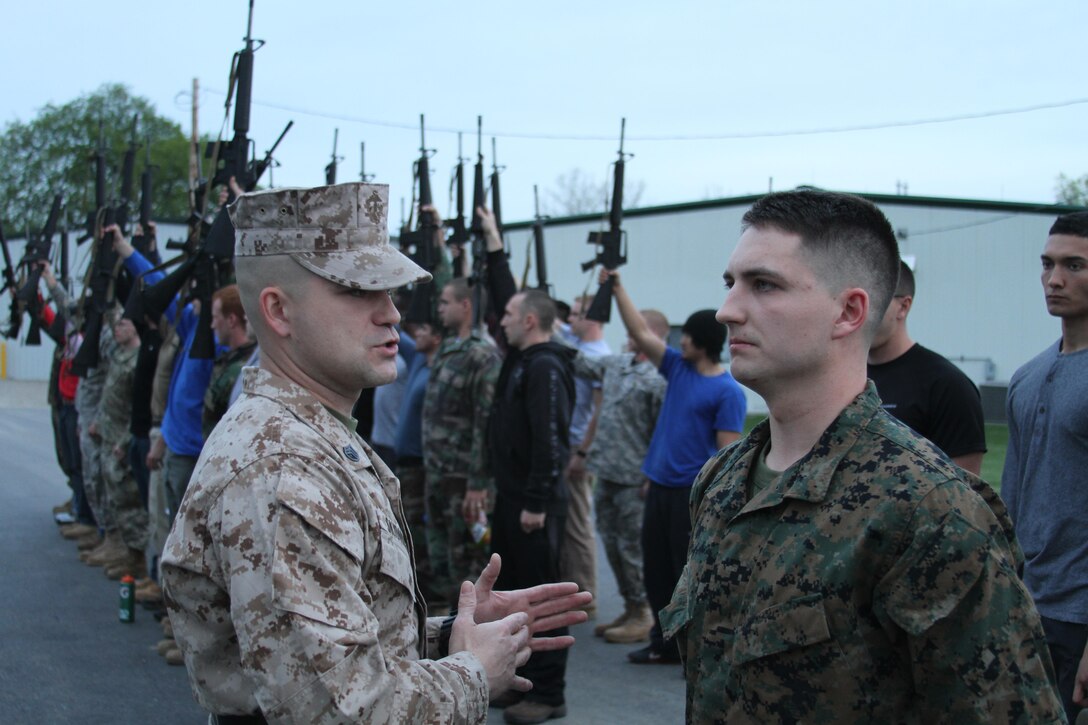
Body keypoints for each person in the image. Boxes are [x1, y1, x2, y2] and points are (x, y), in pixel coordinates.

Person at [161, 182, 589, 724]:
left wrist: (444, 636)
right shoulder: (282, 471)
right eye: (359, 292)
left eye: (389, 293)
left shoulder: (308, 434)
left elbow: (321, 652)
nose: (392, 315)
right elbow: (345, 712)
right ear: (278, 310)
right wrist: (473, 672)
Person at [661, 188, 1061, 722]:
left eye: (764, 285)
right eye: (731, 283)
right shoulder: (722, 480)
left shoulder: (929, 510)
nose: (727, 310)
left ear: (848, 311)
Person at [606, 270, 747, 665]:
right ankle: (662, 643)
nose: (677, 340)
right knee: (655, 570)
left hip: (690, 494)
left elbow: (727, 455)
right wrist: (617, 287)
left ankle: (692, 647)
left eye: (686, 335)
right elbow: (639, 329)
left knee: (686, 572)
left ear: (701, 342)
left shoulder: (727, 391)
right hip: (659, 487)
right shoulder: (677, 369)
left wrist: (713, 503)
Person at [483, 207, 578, 724]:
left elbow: (551, 442)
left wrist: (537, 503)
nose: (499, 320)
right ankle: (520, 685)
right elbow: (504, 300)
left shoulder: (544, 367)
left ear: (531, 321)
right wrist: (495, 246)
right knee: (514, 597)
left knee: (542, 599)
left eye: (508, 316)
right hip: (514, 498)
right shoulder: (522, 358)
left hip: (532, 505)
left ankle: (548, 693)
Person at [1002, 210, 1088, 721]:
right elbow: (1010, 495)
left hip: (1077, 614)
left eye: (1074, 266)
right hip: (1020, 603)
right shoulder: (1027, 375)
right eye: (1048, 264)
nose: (1054, 280)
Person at [573, 309, 668, 644]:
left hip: (634, 476)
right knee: (611, 543)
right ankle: (630, 605)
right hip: (607, 471)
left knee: (631, 547)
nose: (628, 335)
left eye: (635, 330)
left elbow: (664, 432)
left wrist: (651, 476)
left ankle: (645, 613)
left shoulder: (661, 378)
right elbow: (580, 362)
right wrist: (553, 331)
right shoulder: (617, 365)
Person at [422, 277, 501, 607]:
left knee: (468, 563)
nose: (439, 308)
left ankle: (475, 637)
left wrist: (477, 484)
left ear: (465, 305)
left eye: (445, 302)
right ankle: (448, 635)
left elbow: (486, 423)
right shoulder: (449, 349)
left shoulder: (482, 356)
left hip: (465, 481)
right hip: (439, 474)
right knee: (441, 560)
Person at [867, 259, 987, 474]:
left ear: (903, 306)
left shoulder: (948, 385)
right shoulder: (842, 378)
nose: (861, 312)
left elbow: (965, 492)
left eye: (873, 301)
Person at [559, 294, 610, 611]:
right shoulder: (577, 345)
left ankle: (586, 596)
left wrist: (583, 452)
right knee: (568, 521)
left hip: (579, 446)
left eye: (576, 314)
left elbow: (598, 412)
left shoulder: (599, 356)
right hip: (569, 444)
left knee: (578, 523)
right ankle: (572, 589)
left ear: (592, 319)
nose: (570, 320)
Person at [202, 284, 257, 439]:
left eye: (215, 318)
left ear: (231, 320)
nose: (212, 325)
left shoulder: (245, 370)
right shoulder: (230, 360)